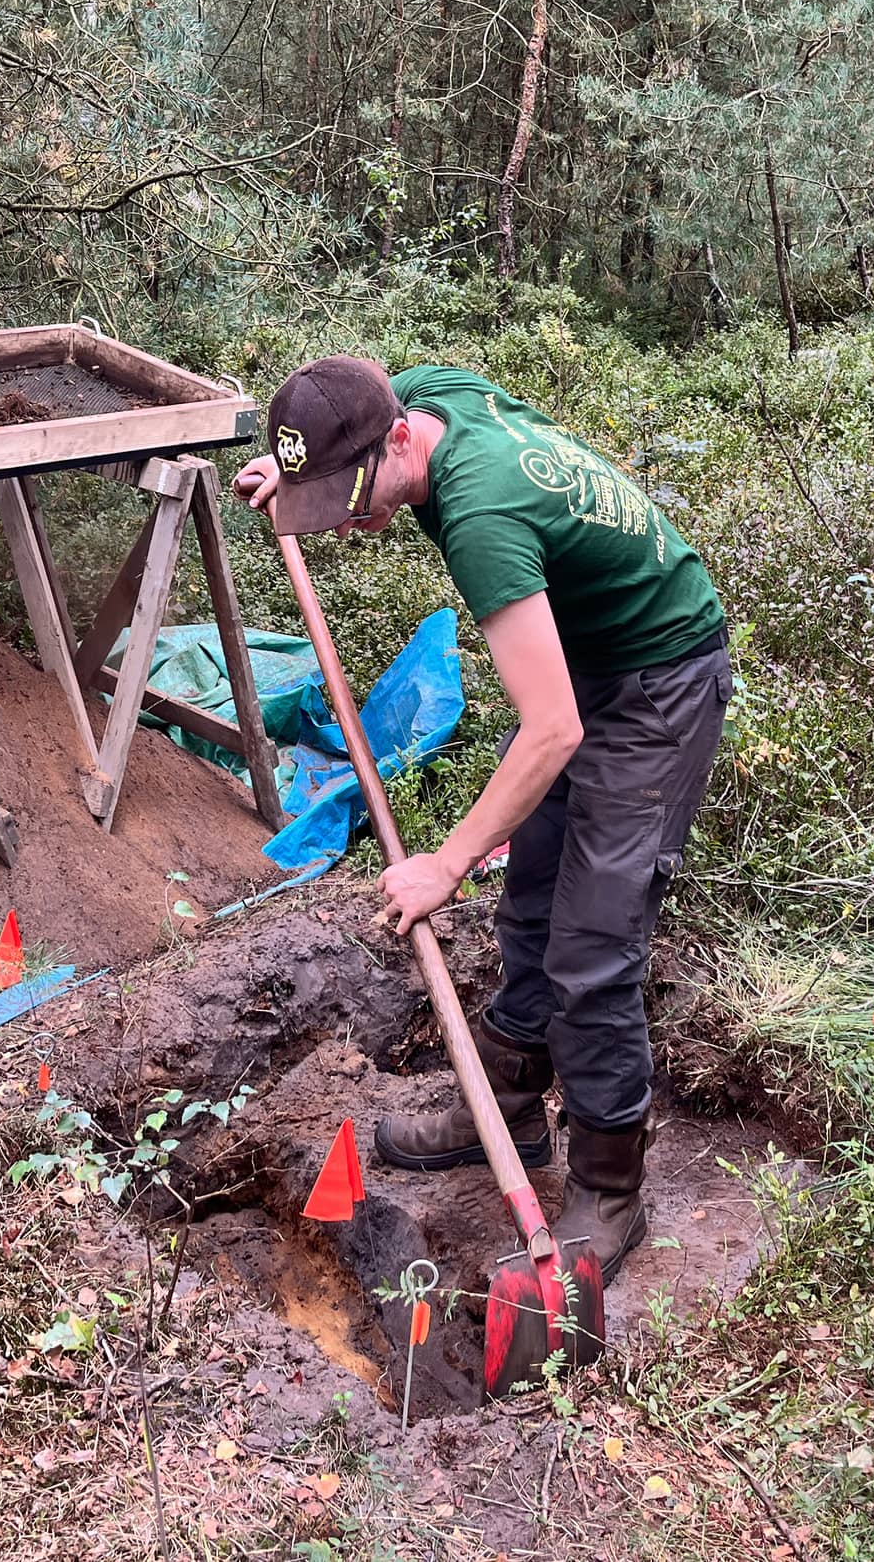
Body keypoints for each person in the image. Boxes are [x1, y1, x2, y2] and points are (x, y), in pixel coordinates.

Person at [233, 357, 731, 1280]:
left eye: (349, 496)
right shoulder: (425, 397)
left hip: (659, 683)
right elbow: (354, 398)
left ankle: (610, 1190)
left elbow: (551, 732)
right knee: (534, 899)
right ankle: (500, 1108)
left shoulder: (482, 517)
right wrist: (290, 479)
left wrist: (445, 862)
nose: (345, 520)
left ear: (397, 444)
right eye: (326, 498)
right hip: (585, 657)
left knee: (594, 942)